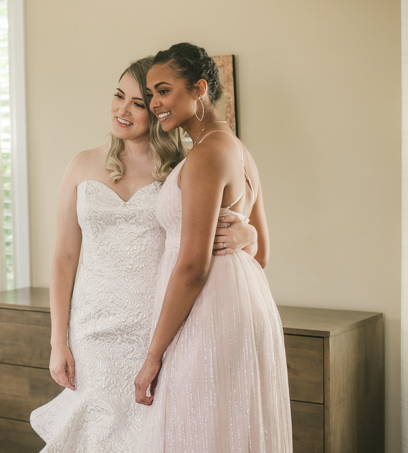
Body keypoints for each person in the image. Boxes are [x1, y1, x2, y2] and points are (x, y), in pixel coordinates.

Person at [29, 57, 258, 452]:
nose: (123, 110)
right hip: (91, 330)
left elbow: (223, 251)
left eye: (138, 102)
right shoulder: (81, 163)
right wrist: (57, 340)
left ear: (155, 109)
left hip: (155, 327)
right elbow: (64, 256)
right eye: (119, 96)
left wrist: (247, 233)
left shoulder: (185, 170)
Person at [134, 43, 292, 452]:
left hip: (206, 314)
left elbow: (192, 268)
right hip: (235, 305)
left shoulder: (207, 155)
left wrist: (153, 356)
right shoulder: (238, 149)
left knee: (199, 432)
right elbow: (262, 253)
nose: (155, 103)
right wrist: (249, 237)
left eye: (163, 91)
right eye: (151, 94)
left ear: (199, 88)